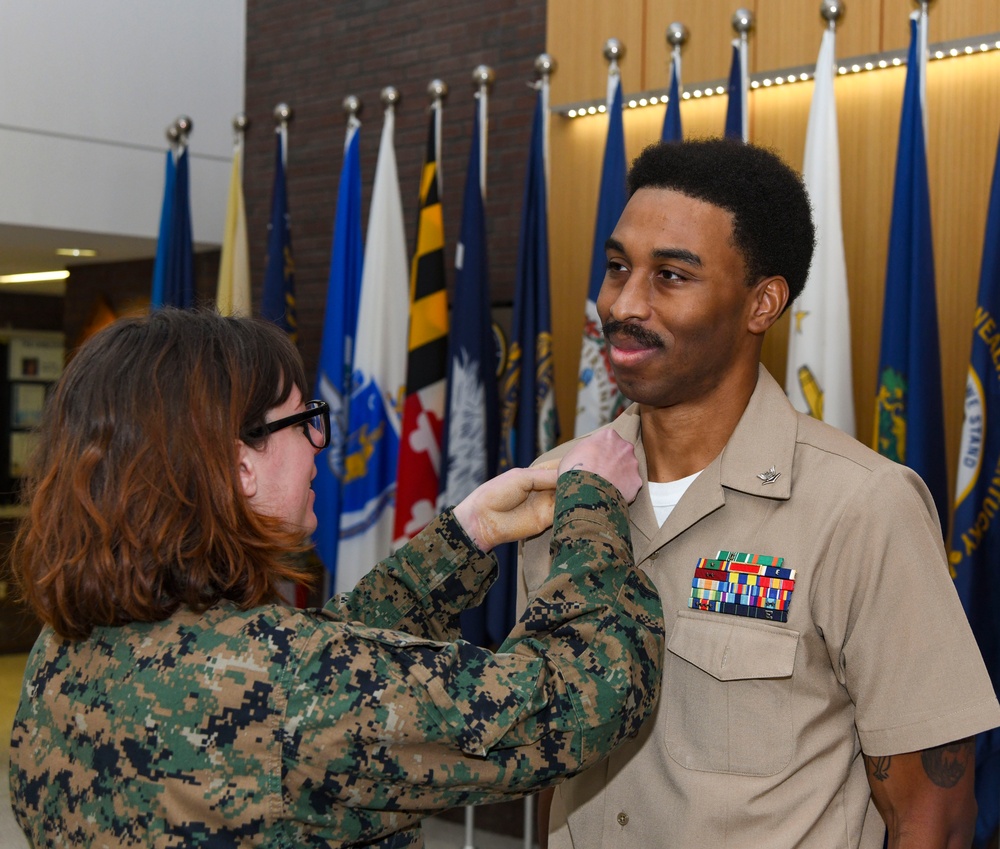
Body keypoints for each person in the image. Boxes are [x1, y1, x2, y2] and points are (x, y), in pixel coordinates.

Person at [7, 308, 664, 848]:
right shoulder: (292, 686)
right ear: (241, 467)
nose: (321, 443)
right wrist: (593, 504)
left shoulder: (62, 650)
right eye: (303, 422)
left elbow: (312, 670)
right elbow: (581, 698)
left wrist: (466, 535)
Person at [519, 139, 1000, 849]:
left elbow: (934, 816)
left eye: (671, 276)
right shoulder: (559, 486)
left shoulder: (862, 507)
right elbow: (550, 755)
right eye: (617, 266)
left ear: (762, 303)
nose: (622, 303)